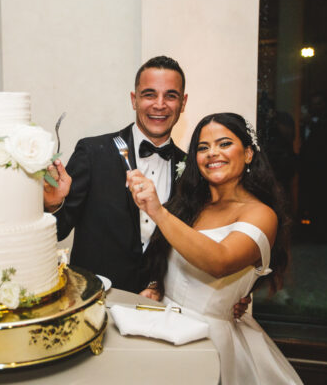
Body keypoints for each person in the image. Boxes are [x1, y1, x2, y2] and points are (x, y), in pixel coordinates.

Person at [127, 113, 302, 384]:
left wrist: (158, 212)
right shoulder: (189, 206)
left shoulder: (261, 214)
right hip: (164, 328)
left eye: (224, 144)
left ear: (248, 153)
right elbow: (174, 261)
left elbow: (220, 262)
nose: (212, 153)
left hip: (209, 341)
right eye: (203, 147)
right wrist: (158, 287)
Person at [43, 56, 188, 293]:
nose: (160, 104)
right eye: (149, 94)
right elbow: (57, 232)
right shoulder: (92, 153)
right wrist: (53, 205)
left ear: (183, 103)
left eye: (170, 96)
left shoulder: (190, 168)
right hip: (96, 299)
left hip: (157, 303)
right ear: (134, 100)